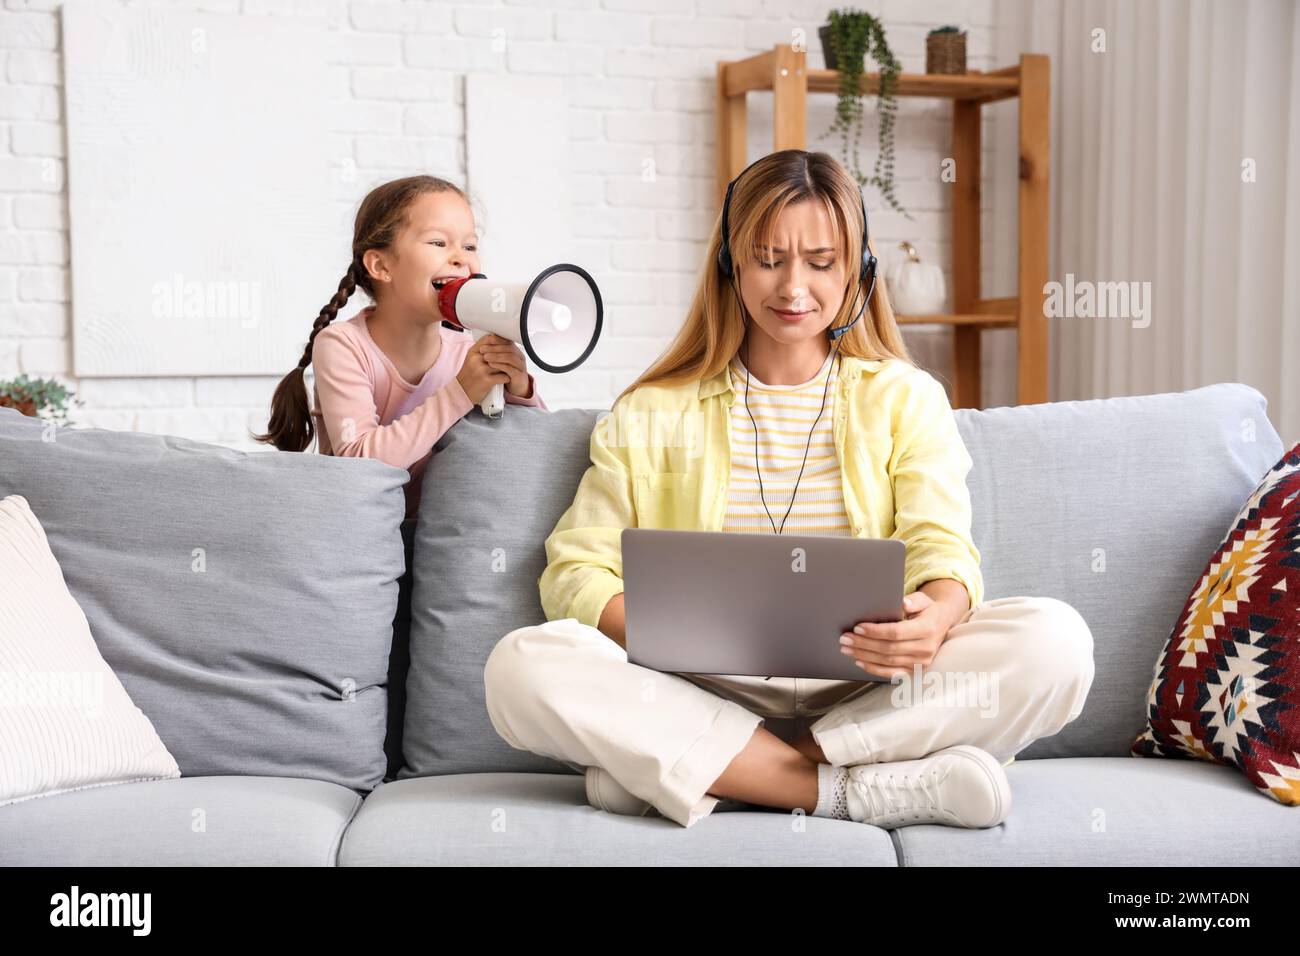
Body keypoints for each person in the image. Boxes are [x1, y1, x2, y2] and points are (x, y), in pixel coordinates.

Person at [483, 150, 1094, 829]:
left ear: (859, 273)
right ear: (731, 266)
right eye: (768, 259)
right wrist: (670, 634)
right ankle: (842, 791)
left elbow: (942, 548)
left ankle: (727, 773)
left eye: (821, 262)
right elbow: (574, 571)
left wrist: (937, 616)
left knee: (1056, 643)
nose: (792, 287)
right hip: (698, 689)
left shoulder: (905, 400)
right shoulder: (654, 409)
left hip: (869, 689)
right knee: (522, 667)